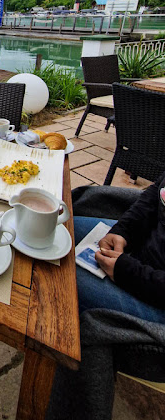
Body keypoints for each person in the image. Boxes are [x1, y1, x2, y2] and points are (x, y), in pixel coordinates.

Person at [46, 172, 165, 420]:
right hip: (140, 253)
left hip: (155, 299)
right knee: (51, 229)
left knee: (54, 282)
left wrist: (128, 272)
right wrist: (123, 231)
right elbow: (157, 193)